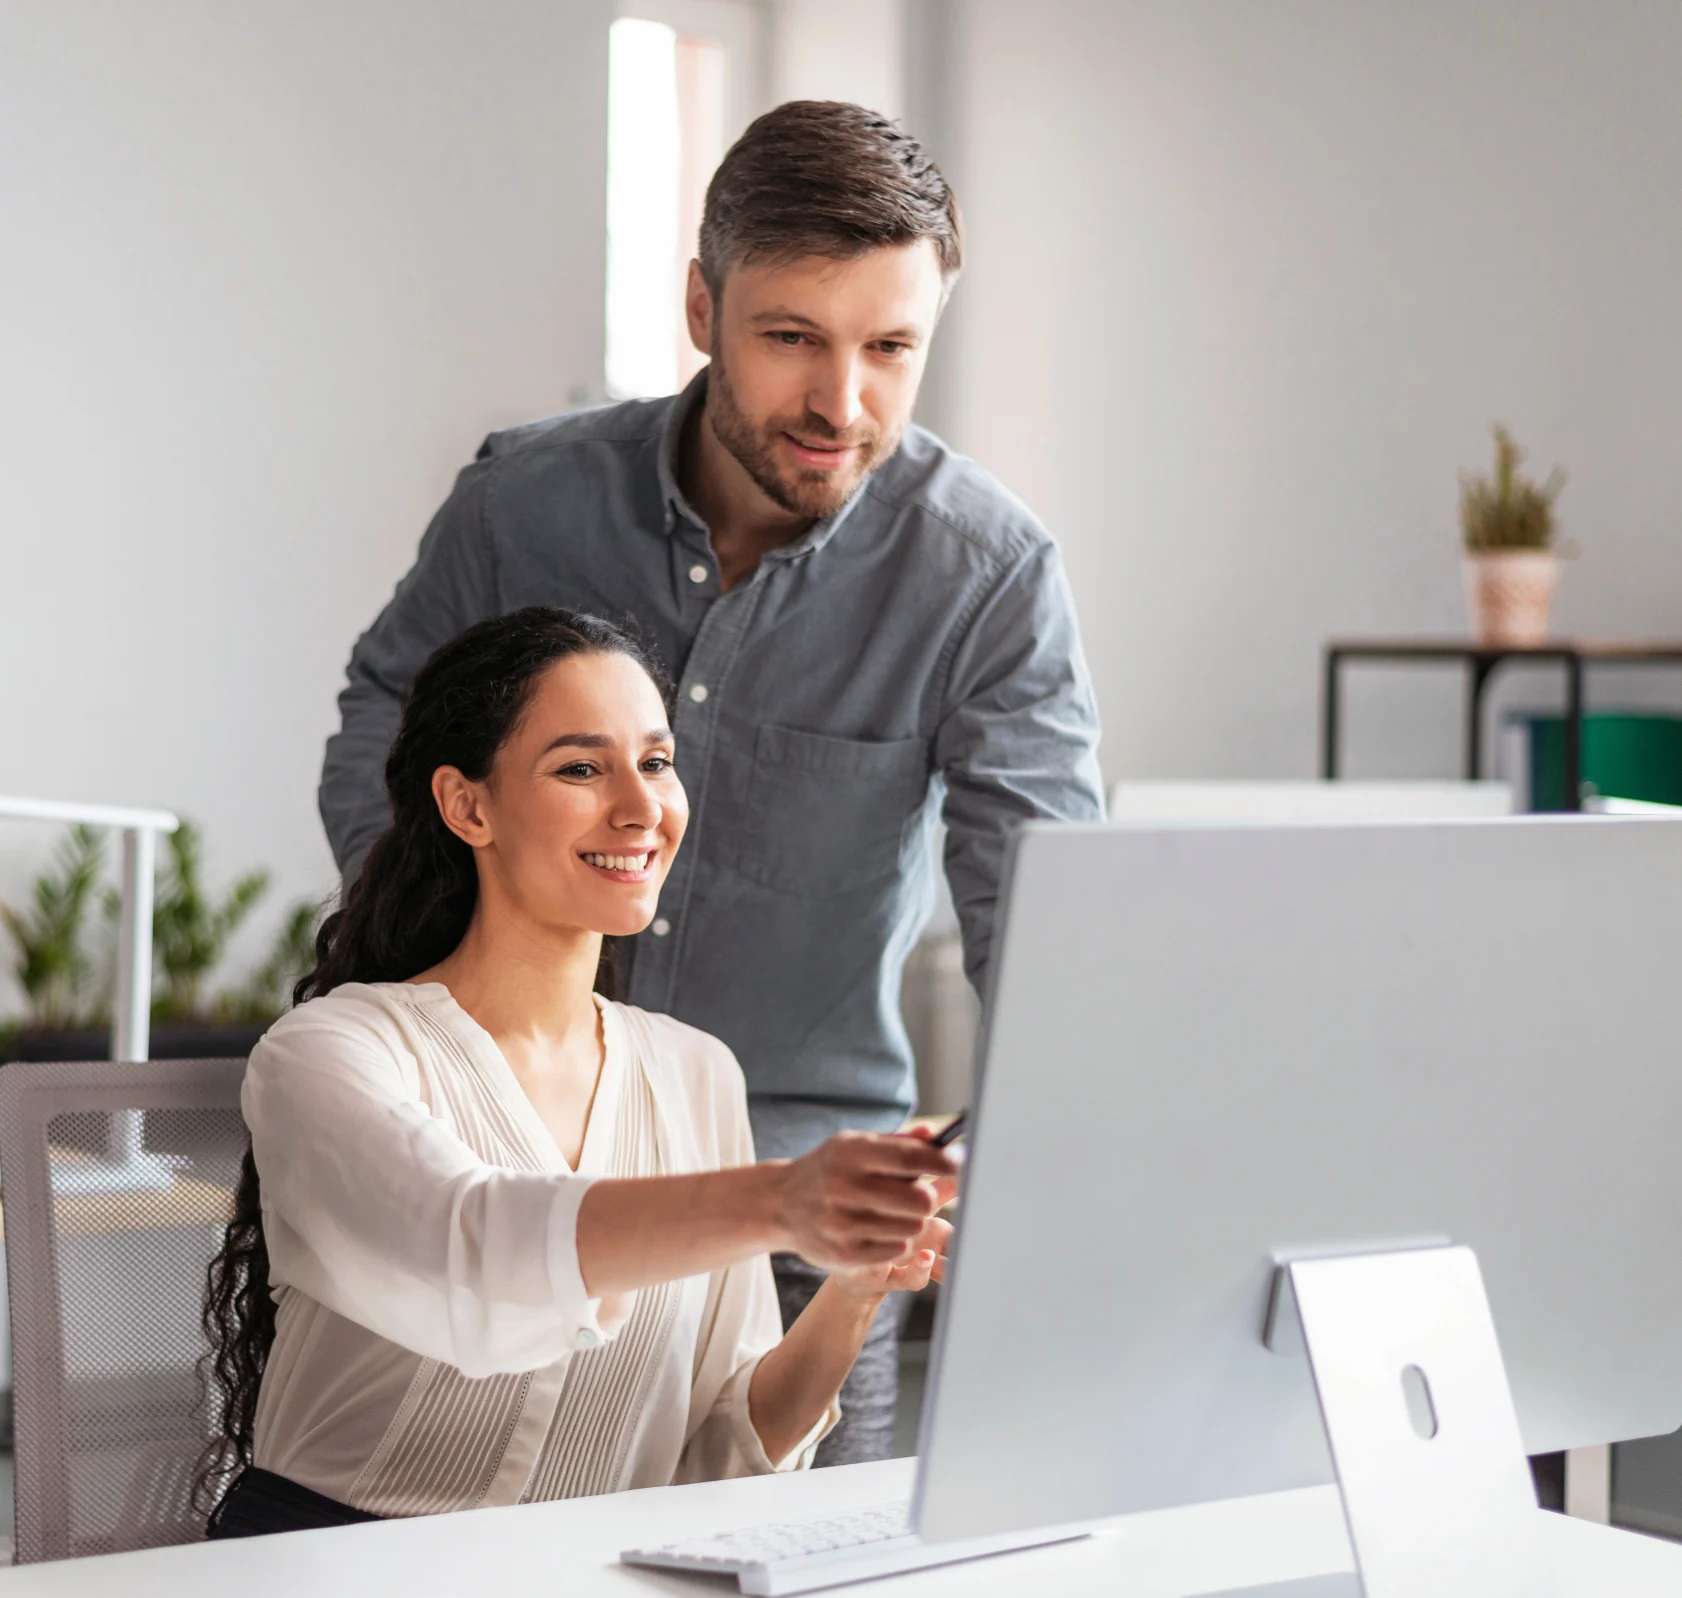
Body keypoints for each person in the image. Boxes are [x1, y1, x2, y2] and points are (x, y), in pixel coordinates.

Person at [319, 100, 1104, 1460]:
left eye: (890, 348)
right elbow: (385, 730)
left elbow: (1051, 921)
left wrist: (1050, 1126)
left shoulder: (986, 578)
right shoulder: (523, 507)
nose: (838, 402)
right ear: (701, 304)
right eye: (792, 335)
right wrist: (463, 961)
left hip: (815, 1228)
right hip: (513, 1178)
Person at [201, 608, 957, 1536]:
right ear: (466, 805)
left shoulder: (694, 1071)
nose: (642, 810)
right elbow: (475, 1245)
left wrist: (851, 1289)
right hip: (336, 1567)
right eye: (580, 769)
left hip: (580, 1571)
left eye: (656, 762)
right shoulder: (329, 1053)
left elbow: (721, 1453)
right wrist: (782, 1202)